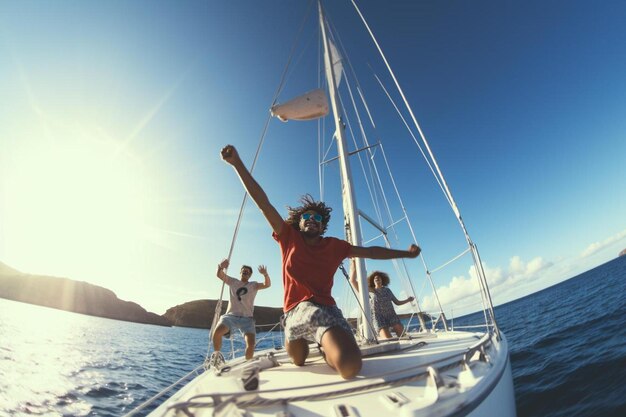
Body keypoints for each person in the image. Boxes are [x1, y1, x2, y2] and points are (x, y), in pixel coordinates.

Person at [220, 144, 421, 379]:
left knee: (349, 364)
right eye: (306, 217)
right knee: (299, 359)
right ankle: (296, 336)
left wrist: (406, 254)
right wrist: (237, 164)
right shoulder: (288, 237)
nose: (311, 220)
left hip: (327, 310)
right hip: (296, 311)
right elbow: (264, 204)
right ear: (299, 222)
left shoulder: (334, 246)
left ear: (322, 225)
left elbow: (372, 252)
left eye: (316, 218)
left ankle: (324, 343)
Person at [209, 259, 271, 367]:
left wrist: (265, 274)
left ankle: (248, 366)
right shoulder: (233, 282)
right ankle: (217, 358)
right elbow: (219, 275)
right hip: (230, 317)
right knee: (217, 333)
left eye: (247, 271)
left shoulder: (254, 285)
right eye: (243, 271)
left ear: (250, 274)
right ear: (240, 272)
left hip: (247, 320)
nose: (245, 272)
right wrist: (220, 266)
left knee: (251, 344)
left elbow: (267, 284)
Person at [348, 258, 414, 339]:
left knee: (404, 337)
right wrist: (354, 263)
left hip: (391, 315)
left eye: (379, 277)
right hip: (378, 318)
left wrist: (408, 300)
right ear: (373, 281)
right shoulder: (369, 290)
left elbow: (397, 302)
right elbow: (352, 281)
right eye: (375, 278)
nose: (377, 278)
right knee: (388, 339)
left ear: (383, 280)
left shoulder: (387, 290)